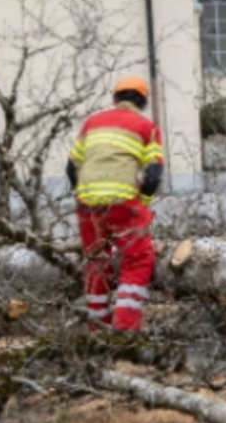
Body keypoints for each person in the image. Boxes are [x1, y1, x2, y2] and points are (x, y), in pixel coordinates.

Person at [67, 77, 163, 332]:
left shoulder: (91, 123)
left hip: (87, 202)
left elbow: (71, 167)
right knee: (137, 260)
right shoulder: (147, 126)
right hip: (122, 202)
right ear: (142, 101)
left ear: (115, 99)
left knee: (96, 260)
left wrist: (85, 197)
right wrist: (140, 205)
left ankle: (97, 326)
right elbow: (153, 178)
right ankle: (124, 328)